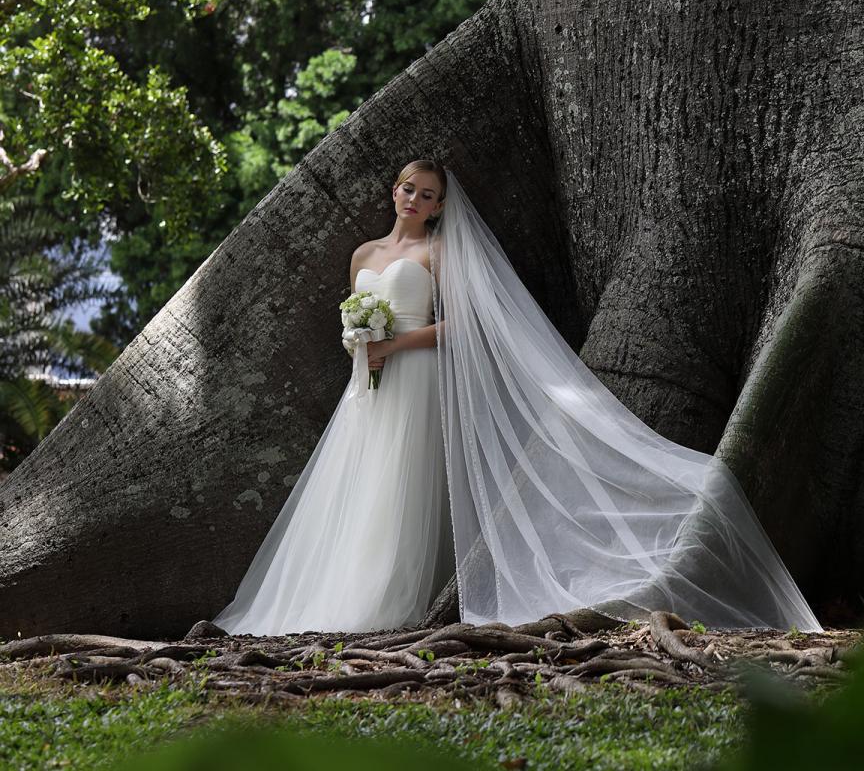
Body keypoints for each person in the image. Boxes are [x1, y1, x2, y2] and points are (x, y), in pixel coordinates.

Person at [214, 159, 819, 635]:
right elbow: (354, 316)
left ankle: (386, 595)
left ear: (441, 206)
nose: (415, 201)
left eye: (428, 195)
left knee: (401, 482)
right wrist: (360, 343)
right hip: (366, 384)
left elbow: (462, 324)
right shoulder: (363, 256)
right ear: (392, 192)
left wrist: (394, 345)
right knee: (359, 480)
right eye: (408, 190)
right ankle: (338, 588)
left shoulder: (439, 252)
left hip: (416, 374)